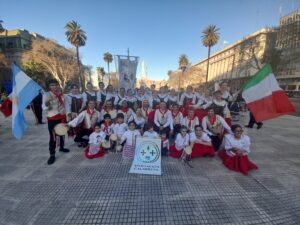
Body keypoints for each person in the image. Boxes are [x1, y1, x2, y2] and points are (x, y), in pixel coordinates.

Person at [43, 79, 69, 165]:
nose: (54, 87)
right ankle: (52, 154)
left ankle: (61, 147)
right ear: (49, 87)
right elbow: (44, 108)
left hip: (62, 117)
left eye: (55, 85)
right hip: (52, 118)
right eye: (52, 85)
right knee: (53, 137)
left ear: (58, 86)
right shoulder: (46, 95)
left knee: (62, 133)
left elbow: (66, 105)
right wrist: (47, 102)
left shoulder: (62, 95)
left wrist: (68, 114)